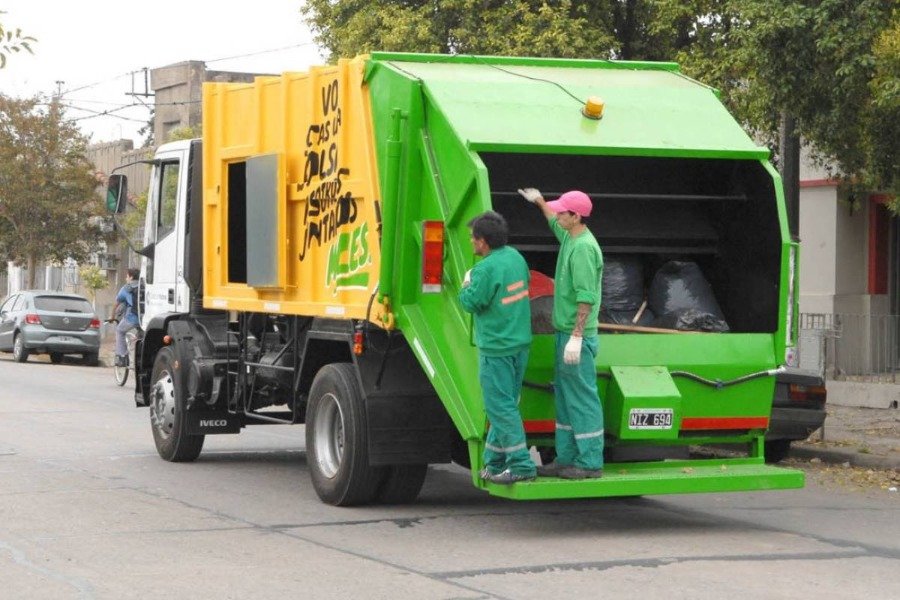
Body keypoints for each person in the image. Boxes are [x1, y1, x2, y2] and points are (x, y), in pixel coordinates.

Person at [518, 188, 605, 479]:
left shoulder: (583, 249)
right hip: (563, 333)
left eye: (562, 211)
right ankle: (566, 458)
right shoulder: (570, 236)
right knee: (566, 398)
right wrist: (540, 201)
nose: (558, 215)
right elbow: (552, 220)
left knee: (581, 398)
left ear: (577, 216)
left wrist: (577, 337)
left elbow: (586, 297)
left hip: (575, 335)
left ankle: (590, 462)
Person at [458, 211, 537, 485]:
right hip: (519, 344)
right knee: (504, 405)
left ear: (482, 242)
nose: (471, 243)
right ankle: (493, 463)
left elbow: (471, 302)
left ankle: (521, 466)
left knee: (500, 407)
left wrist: (466, 285)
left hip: (497, 348)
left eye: (472, 238)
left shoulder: (485, 269)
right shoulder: (516, 258)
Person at [111, 268, 140, 367]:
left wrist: (111, 317)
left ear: (131, 277)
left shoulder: (126, 288)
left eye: (127, 276)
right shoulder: (145, 286)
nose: (126, 278)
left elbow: (116, 305)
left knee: (120, 331)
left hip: (133, 317)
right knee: (141, 337)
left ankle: (123, 357)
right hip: (145, 318)